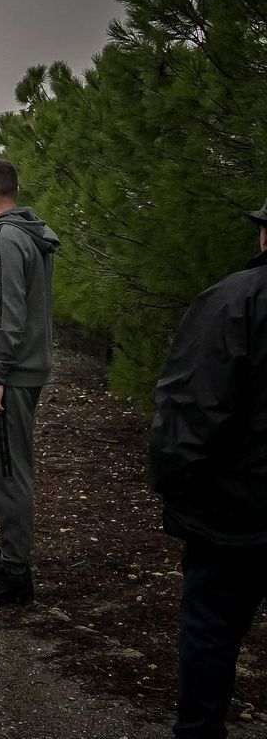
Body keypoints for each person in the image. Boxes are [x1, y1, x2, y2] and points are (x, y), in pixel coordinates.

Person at [147, 198, 267, 739]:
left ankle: (199, 731)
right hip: (236, 503)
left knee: (212, 629)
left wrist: (176, 490)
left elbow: (190, 411)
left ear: (263, 237)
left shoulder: (231, 302)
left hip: (235, 512)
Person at [0, 158, 61, 607]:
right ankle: (9, 556)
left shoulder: (4, 237)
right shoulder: (28, 232)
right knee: (12, 467)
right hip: (24, 370)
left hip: (9, 374)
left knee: (6, 472)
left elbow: (6, 312)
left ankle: (15, 575)